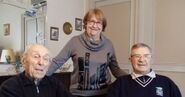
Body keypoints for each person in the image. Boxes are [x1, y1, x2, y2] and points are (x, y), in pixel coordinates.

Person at [47, 8, 127, 97]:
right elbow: (57, 62)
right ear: (86, 23)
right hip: (78, 94)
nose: (94, 25)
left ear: (102, 26)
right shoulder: (75, 42)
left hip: (104, 93)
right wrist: (39, 74)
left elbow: (115, 69)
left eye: (98, 22)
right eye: (91, 21)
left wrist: (133, 78)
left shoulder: (108, 44)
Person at [106, 43, 182, 97]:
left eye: (146, 56)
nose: (142, 60)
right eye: (137, 56)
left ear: (151, 59)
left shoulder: (166, 82)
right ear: (130, 60)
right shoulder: (119, 84)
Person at [0, 44, 73, 97]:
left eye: (46, 58)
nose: (41, 62)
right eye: (36, 56)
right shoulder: (9, 87)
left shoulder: (54, 83)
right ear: (24, 61)